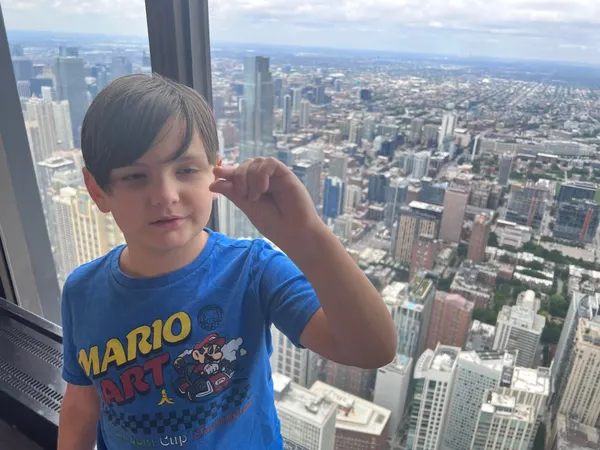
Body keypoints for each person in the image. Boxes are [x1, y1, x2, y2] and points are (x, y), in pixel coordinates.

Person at [57, 74, 396, 450]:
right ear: (97, 190)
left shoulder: (253, 270)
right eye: (135, 176)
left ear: (214, 174)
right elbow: (82, 405)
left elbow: (372, 349)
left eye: (186, 170)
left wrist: (307, 235)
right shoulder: (81, 292)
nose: (166, 195)